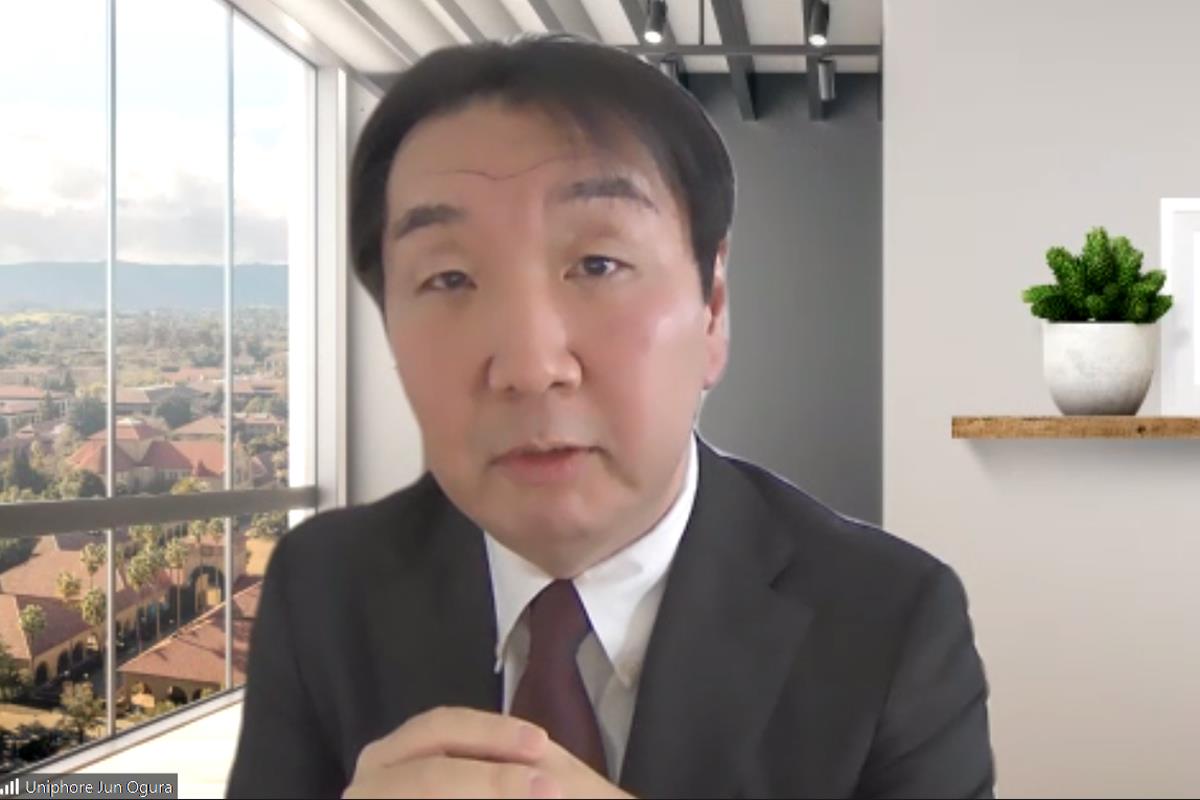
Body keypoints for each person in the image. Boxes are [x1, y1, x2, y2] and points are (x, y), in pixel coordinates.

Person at [226, 34, 994, 800]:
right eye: (449, 277)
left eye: (598, 265)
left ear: (712, 309)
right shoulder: (323, 587)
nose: (530, 366)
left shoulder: (890, 620)